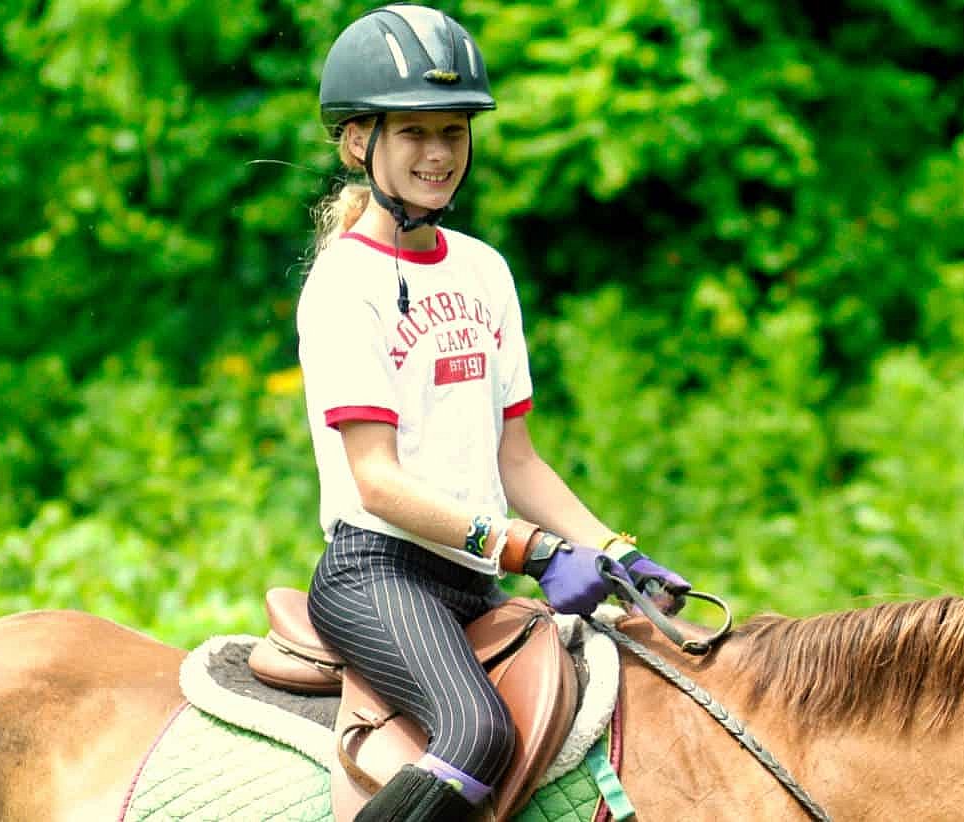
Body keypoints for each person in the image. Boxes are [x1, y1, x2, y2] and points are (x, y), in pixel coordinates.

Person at [296, 6, 691, 820]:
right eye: (414, 133)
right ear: (357, 142)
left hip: (472, 578)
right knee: (478, 734)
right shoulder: (343, 283)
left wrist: (616, 551)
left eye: (454, 131)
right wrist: (532, 550)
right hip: (379, 572)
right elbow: (376, 482)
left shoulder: (484, 270)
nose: (439, 154)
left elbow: (519, 462)